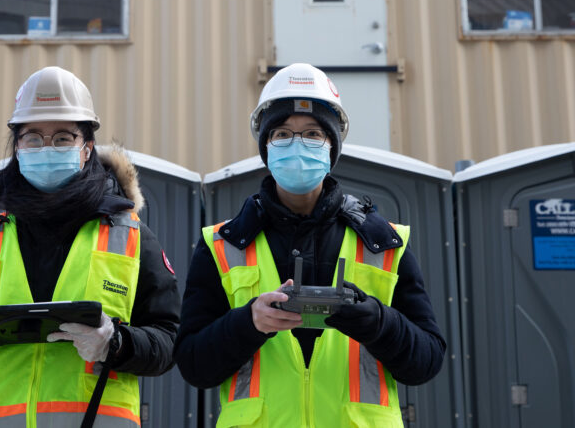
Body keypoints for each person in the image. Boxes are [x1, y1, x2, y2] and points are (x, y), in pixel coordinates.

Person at [174, 63, 446, 427]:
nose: (297, 144)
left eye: (313, 133)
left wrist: (378, 321)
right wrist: (250, 322)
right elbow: (193, 364)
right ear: (266, 148)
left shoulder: (384, 243)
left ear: (332, 146)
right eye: (282, 133)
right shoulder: (222, 245)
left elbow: (427, 361)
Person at [0, 66, 179, 428]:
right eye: (32, 138)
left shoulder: (130, 237)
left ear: (87, 149)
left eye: (63, 138)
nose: (46, 148)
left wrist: (117, 342)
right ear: (17, 147)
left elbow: (169, 341)